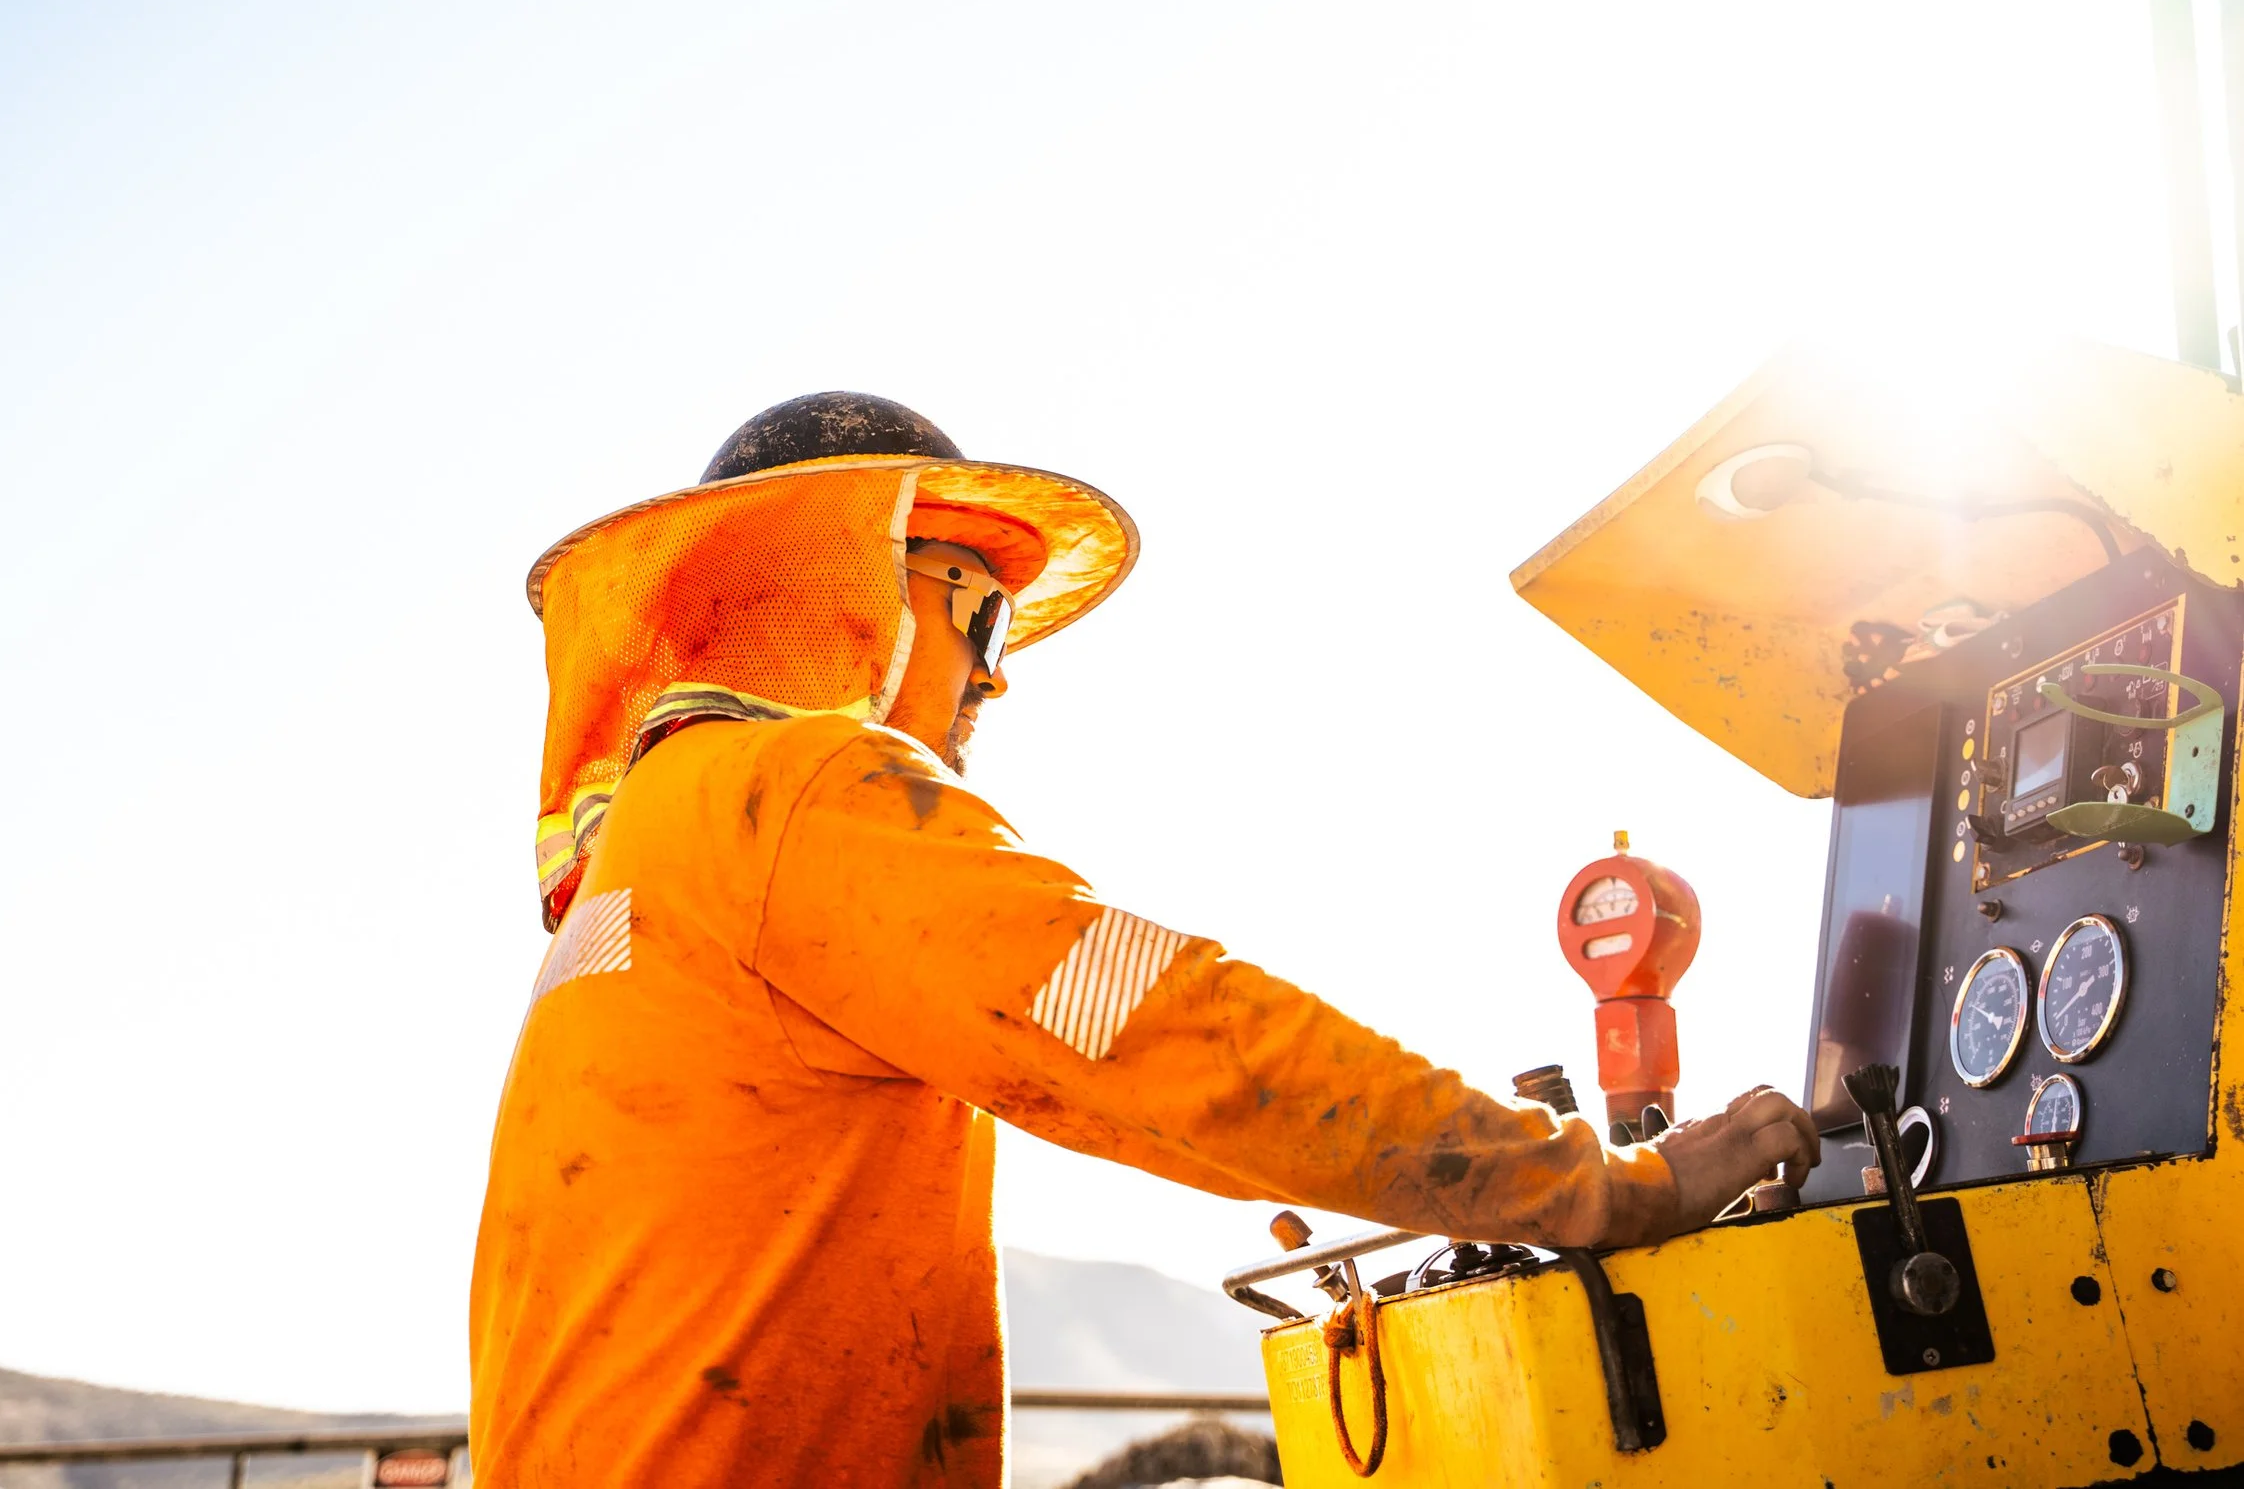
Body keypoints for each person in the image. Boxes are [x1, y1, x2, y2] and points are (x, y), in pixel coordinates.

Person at [469, 393, 1819, 1487]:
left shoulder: (649, 852)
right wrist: (1605, 1188)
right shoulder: (799, 796)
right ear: (847, 583)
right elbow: (1163, 1032)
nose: (995, 669)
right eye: (974, 605)